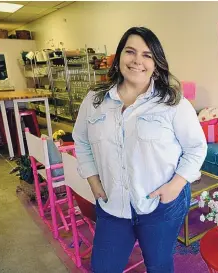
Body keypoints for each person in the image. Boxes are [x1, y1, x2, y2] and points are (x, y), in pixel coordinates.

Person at [72, 26, 207, 273]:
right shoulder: (95, 101)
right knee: (103, 267)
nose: (137, 61)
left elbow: (197, 148)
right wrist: (92, 180)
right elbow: (80, 141)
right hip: (113, 203)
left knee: (158, 265)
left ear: (156, 62)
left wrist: (175, 186)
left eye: (147, 55)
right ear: (119, 57)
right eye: (130, 51)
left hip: (160, 206)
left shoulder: (173, 103)